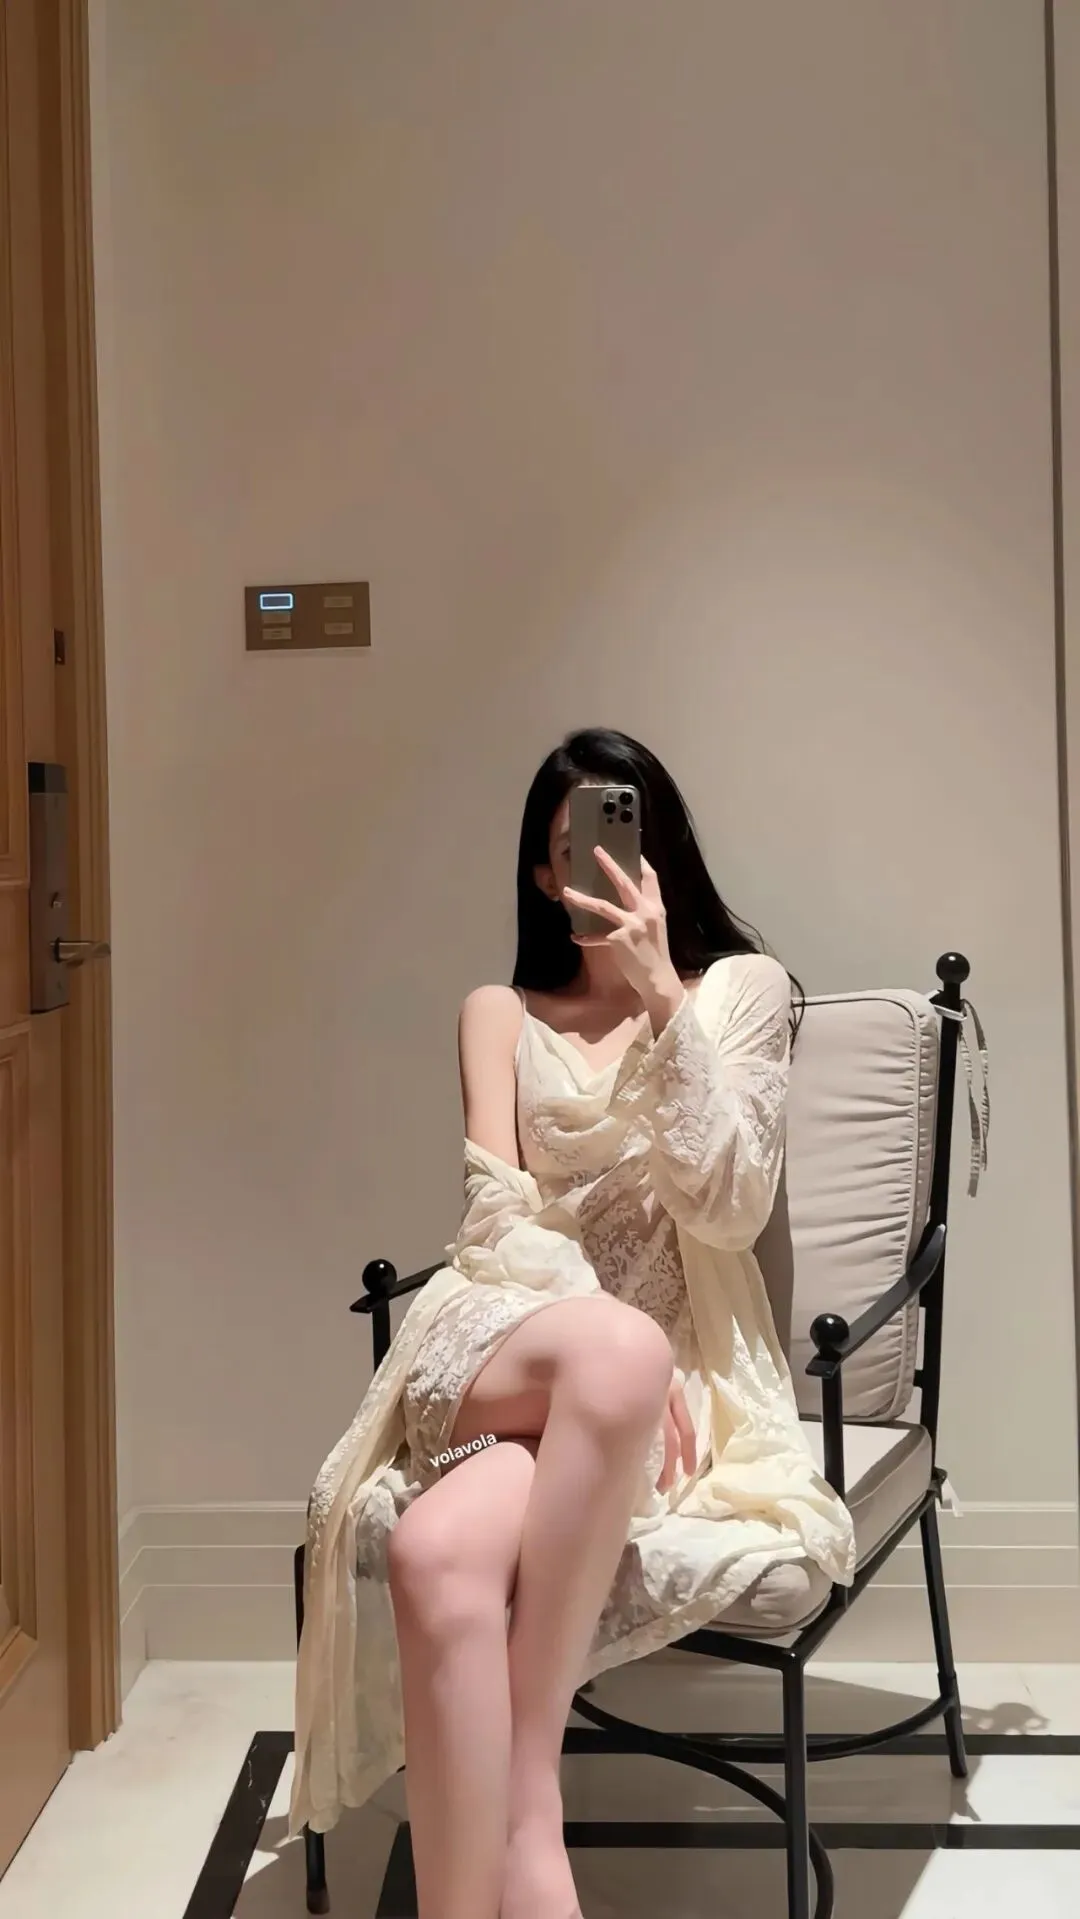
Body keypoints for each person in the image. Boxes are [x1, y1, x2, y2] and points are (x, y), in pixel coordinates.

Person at [291, 729, 854, 1919]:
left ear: (661, 847)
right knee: (621, 1349)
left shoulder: (739, 992)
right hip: (493, 1348)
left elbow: (728, 1202)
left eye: (618, 832)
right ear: (543, 873)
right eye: (567, 847)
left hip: (629, 1397)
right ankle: (531, 1805)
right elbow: (497, 1214)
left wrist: (663, 999)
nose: (595, 862)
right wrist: (604, 1337)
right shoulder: (499, 1010)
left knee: (435, 1554)